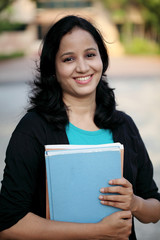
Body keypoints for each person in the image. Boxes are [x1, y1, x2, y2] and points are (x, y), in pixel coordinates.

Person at [0, 15, 159, 240]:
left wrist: (135, 203)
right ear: (52, 68)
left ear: (102, 59)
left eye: (90, 55)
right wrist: (97, 232)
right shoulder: (33, 129)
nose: (83, 67)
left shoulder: (124, 125)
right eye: (68, 59)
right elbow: (8, 224)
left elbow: (155, 209)